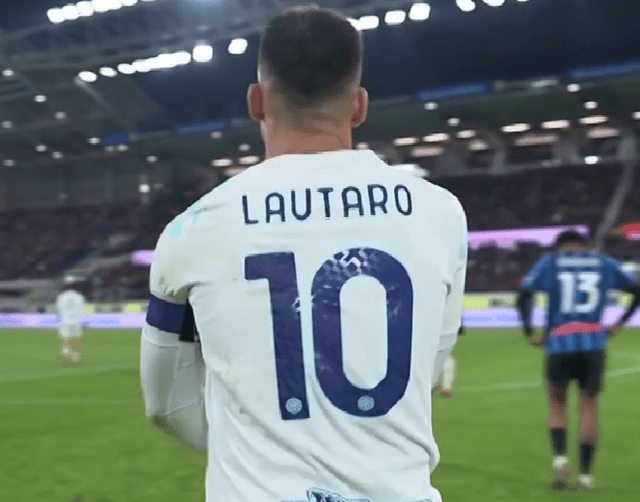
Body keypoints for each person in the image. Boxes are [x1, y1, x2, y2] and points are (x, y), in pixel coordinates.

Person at [140, 6, 467, 502]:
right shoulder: (440, 214)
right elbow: (431, 362)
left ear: (256, 101)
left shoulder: (193, 228)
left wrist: (251, 450)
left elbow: (165, 405)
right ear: (359, 106)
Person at [516, 230, 640, 491]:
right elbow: (636, 289)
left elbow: (525, 294)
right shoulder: (603, 262)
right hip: (594, 341)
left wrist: (529, 331)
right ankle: (585, 476)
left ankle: (560, 462)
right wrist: (620, 322)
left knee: (557, 403)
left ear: (559, 245)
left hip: (559, 340)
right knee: (589, 406)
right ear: (584, 244)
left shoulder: (550, 262)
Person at [55, 283, 86, 364]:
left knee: (65, 338)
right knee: (76, 338)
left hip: (65, 320)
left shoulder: (61, 297)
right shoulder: (79, 296)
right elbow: (81, 308)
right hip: (76, 321)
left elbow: (58, 308)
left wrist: (59, 317)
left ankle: (66, 350)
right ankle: (75, 355)